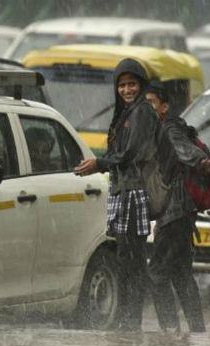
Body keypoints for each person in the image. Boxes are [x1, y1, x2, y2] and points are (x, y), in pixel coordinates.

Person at [74, 58, 159, 331]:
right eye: (122, 85)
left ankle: (131, 322)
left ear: (141, 85)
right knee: (124, 259)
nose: (126, 90)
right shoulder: (126, 113)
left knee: (132, 261)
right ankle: (126, 322)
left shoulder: (142, 112)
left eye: (132, 84)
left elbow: (131, 153)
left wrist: (99, 164)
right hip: (122, 192)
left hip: (135, 194)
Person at [145, 82, 210, 333]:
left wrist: (201, 162)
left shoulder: (168, 128)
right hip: (180, 211)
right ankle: (197, 333)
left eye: (151, 103)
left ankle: (170, 332)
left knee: (157, 273)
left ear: (164, 107)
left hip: (176, 211)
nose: (146, 108)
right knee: (180, 274)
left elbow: (182, 149)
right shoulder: (160, 128)